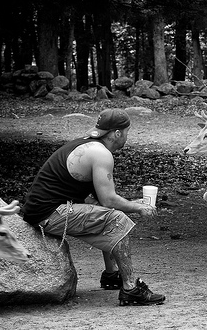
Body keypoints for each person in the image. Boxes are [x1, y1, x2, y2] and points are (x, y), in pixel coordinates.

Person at [21, 108, 165, 306]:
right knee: (117, 219)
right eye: (127, 132)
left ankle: (112, 275)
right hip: (49, 213)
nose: (126, 137)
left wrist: (134, 203)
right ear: (117, 133)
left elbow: (100, 201)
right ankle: (131, 288)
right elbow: (108, 201)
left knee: (109, 214)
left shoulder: (88, 145)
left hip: (45, 209)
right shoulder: (101, 154)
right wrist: (139, 208)